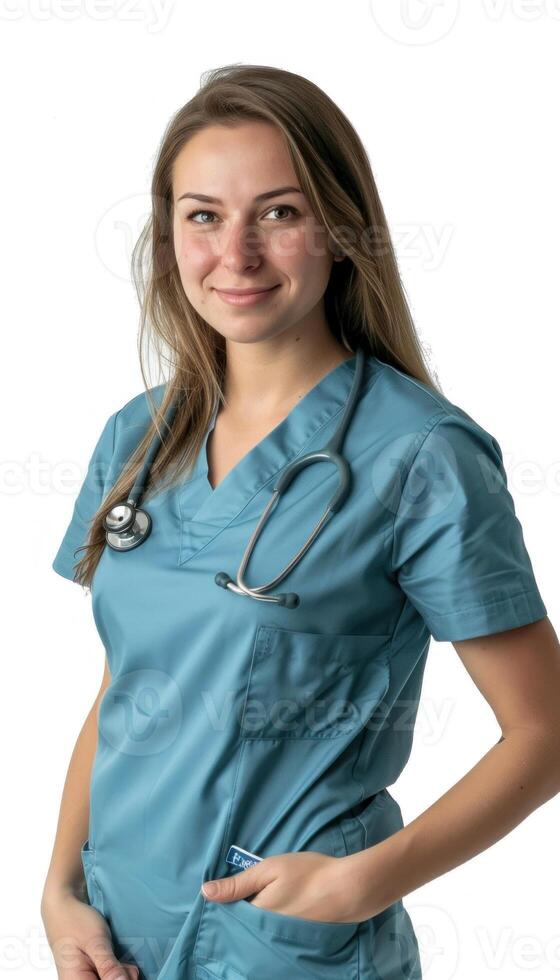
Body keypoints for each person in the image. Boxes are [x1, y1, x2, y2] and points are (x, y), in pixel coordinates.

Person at [41, 64, 560, 980]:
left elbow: (545, 731)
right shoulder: (140, 433)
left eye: (278, 213)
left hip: (286, 951)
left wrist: (362, 884)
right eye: (203, 215)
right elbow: (131, 685)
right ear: (169, 236)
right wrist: (59, 891)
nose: (234, 254)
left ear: (344, 230)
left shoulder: (422, 457)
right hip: (113, 941)